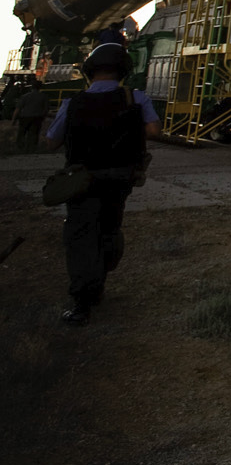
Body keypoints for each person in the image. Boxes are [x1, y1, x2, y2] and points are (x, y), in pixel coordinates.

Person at [42, 36, 159, 326]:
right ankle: (101, 277)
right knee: (109, 227)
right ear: (124, 71)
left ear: (89, 70)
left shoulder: (73, 102)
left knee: (81, 237)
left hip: (83, 179)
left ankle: (83, 303)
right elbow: (154, 130)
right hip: (121, 177)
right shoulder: (136, 97)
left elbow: (51, 143)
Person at [14, 76, 50, 153]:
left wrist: (13, 120)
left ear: (31, 87)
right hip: (37, 118)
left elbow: (18, 109)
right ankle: (32, 149)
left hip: (25, 117)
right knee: (34, 134)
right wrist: (43, 117)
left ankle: (19, 149)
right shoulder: (44, 97)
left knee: (21, 134)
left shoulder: (25, 96)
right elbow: (46, 109)